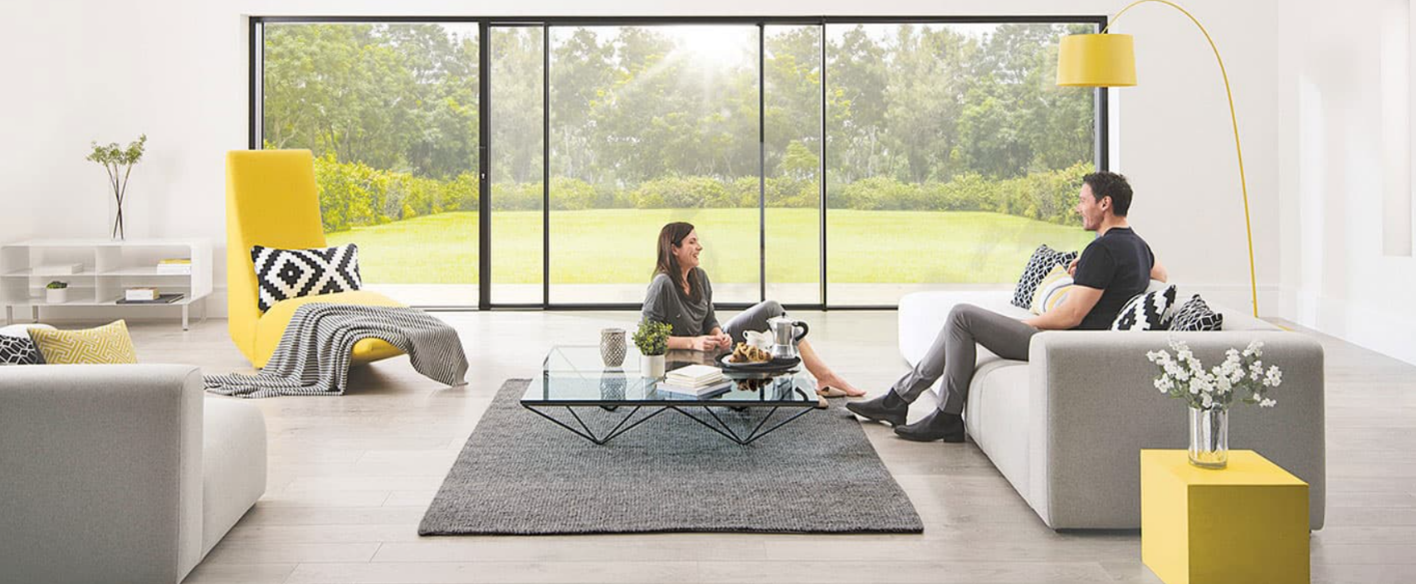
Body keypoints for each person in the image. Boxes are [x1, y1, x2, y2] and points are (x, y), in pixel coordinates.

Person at [847, 171, 1168, 442]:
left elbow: (1072, 315)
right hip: (1079, 341)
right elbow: (1159, 276)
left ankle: (937, 412)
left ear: (1105, 203)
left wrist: (1024, 325)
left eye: (1083, 200)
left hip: (1063, 344)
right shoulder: (1138, 245)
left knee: (961, 316)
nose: (1077, 207)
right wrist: (1089, 264)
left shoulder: (1105, 250)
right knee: (960, 320)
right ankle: (900, 401)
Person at [642, 222, 864, 399]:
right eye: (692, 242)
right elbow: (646, 339)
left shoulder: (699, 277)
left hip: (710, 348)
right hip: (682, 358)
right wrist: (692, 342)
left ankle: (821, 376)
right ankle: (804, 386)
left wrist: (719, 334)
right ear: (674, 249)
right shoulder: (663, 284)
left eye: (698, 241)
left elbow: (709, 319)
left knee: (772, 308)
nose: (699, 247)